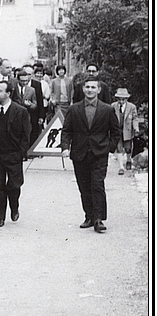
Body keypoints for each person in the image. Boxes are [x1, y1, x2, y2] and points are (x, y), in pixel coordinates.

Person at [61, 76, 121, 233]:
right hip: (79, 154)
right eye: (87, 87)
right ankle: (88, 216)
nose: (90, 90)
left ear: (99, 90)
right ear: (83, 89)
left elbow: (115, 132)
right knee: (84, 186)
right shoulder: (74, 109)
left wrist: (109, 148)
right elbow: (66, 130)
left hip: (99, 153)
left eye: (93, 87)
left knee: (97, 185)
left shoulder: (107, 109)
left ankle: (98, 219)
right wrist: (65, 147)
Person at [0, 82, 31, 227]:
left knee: (14, 185)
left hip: (13, 154)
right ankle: (0, 217)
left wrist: (21, 152)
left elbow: (26, 134)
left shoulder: (20, 111)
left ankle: (14, 207)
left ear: (8, 93)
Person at [112, 88, 139, 175]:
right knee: (119, 148)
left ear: (126, 99)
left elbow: (135, 119)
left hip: (127, 130)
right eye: (119, 99)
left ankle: (128, 160)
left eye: (123, 99)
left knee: (128, 148)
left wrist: (136, 128)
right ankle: (121, 167)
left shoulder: (132, 107)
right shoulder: (113, 106)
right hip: (117, 130)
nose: (121, 101)